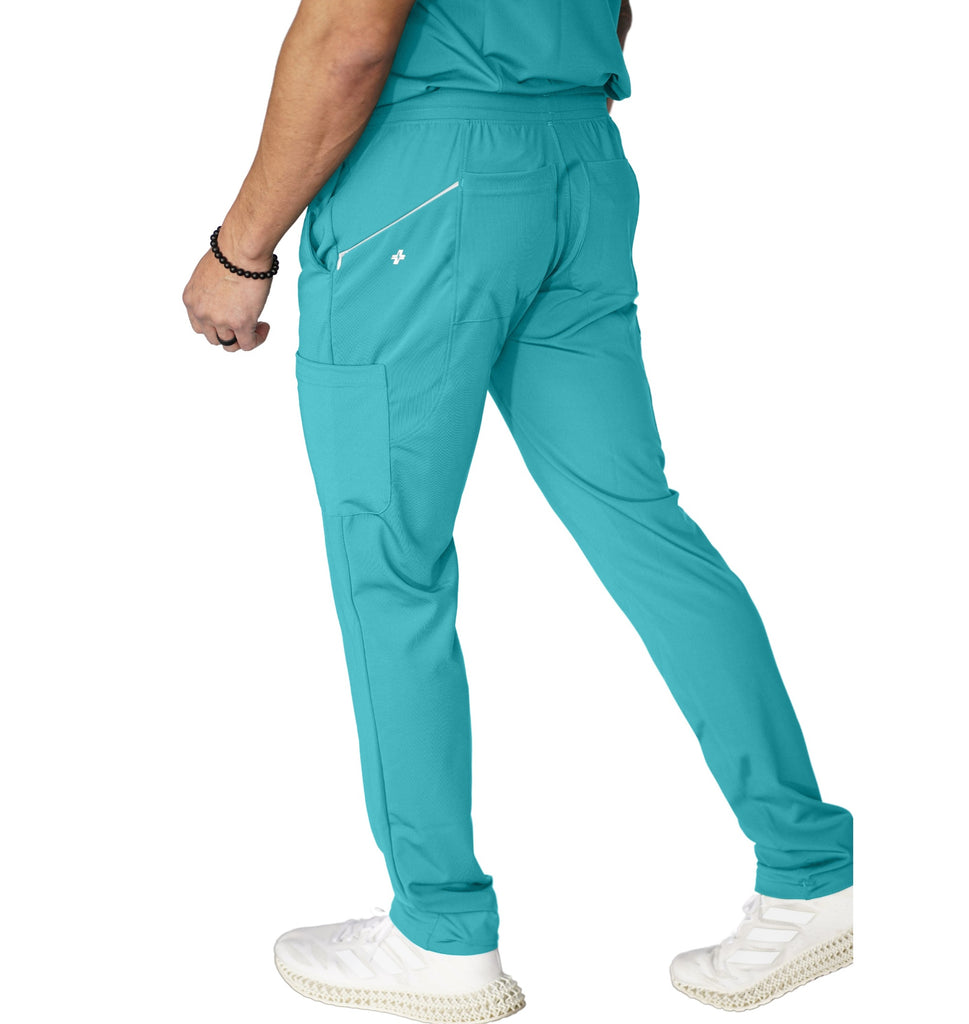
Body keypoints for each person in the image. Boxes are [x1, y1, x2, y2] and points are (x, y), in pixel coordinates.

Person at [182, 1, 854, 1019]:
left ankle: (441, 931)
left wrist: (241, 250)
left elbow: (350, 37)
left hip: (425, 178)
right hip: (578, 160)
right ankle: (812, 868)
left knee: (390, 561)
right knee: (643, 524)